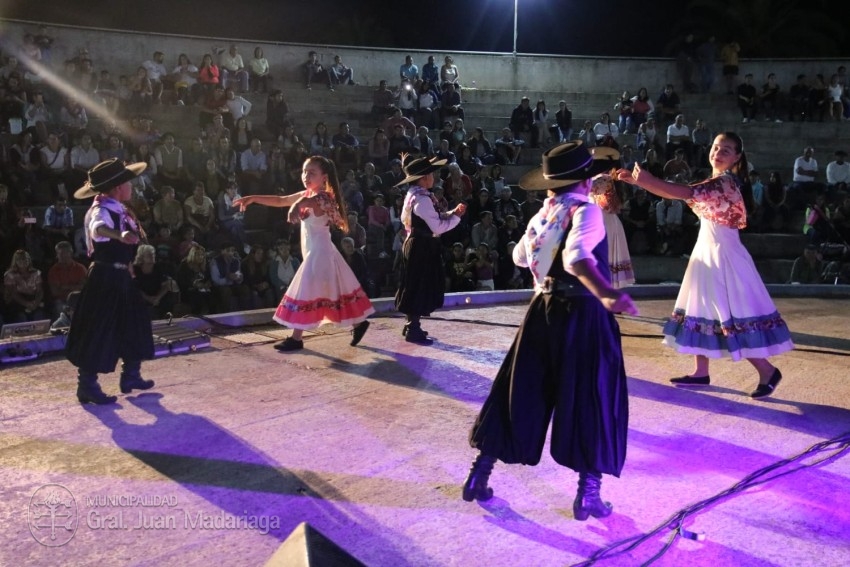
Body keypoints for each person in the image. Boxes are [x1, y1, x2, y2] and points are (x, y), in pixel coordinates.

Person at [463, 141, 637, 523]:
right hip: (583, 314)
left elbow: (519, 257)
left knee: (520, 392)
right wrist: (607, 293)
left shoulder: (543, 214)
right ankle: (588, 495)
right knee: (592, 396)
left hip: (541, 313)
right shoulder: (586, 212)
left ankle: (480, 473)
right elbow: (576, 259)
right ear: (586, 179)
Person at [616, 132, 794, 398]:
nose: (718, 152)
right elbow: (679, 193)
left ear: (736, 158)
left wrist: (646, 180)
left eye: (726, 150)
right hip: (708, 249)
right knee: (700, 306)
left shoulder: (725, 183)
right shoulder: (714, 182)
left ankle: (767, 370)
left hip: (724, 254)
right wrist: (639, 182)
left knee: (727, 312)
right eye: (716, 147)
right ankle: (701, 371)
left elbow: (683, 192)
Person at [234, 156, 373, 351]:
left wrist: (295, 206)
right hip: (316, 251)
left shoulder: (324, 197)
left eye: (311, 172)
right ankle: (359, 323)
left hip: (320, 252)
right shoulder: (308, 194)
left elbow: (304, 202)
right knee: (333, 292)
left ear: (324, 177)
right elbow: (282, 199)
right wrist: (254, 198)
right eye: (304, 172)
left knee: (306, 290)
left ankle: (297, 338)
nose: (306, 175)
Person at [66, 159, 156, 405]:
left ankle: (131, 375)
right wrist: (120, 234)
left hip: (120, 276)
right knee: (99, 330)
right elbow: (98, 229)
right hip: (105, 278)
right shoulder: (101, 209)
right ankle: (87, 387)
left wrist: (129, 267)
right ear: (117, 187)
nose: (131, 186)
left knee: (135, 322)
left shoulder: (117, 208)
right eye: (127, 182)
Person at [395, 154, 467, 343]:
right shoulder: (423, 199)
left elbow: (433, 218)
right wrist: (456, 217)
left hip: (416, 243)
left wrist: (451, 213)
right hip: (422, 246)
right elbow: (437, 227)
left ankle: (412, 325)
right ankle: (413, 328)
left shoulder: (414, 194)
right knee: (420, 286)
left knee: (414, 284)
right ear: (423, 178)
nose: (433, 177)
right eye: (431, 174)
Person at [589, 165, 635, 288]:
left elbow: (589, 188)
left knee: (605, 252)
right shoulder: (602, 178)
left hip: (606, 220)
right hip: (600, 219)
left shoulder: (605, 178)